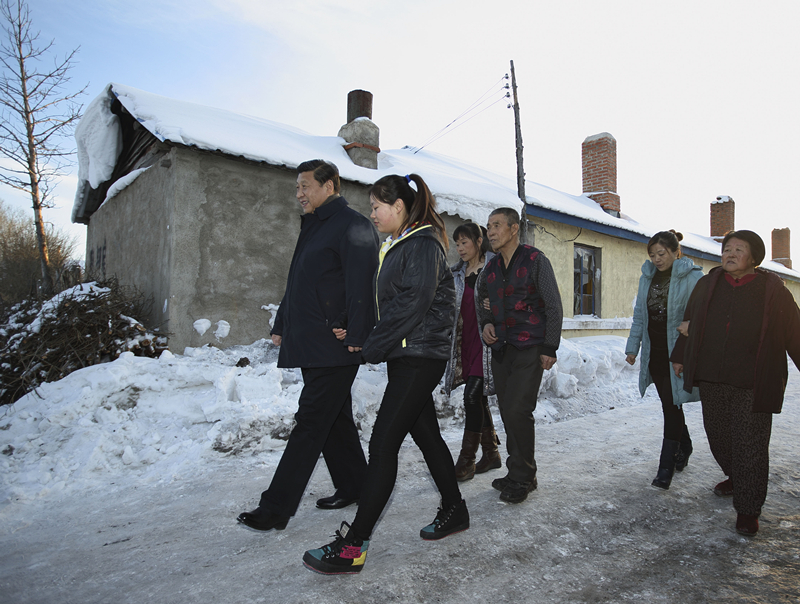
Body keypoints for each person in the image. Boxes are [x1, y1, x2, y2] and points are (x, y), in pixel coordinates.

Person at [303, 173, 465, 575]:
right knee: (426, 434)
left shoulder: (423, 244)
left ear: (398, 207)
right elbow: (386, 302)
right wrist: (357, 328)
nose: (371, 213)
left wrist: (371, 345)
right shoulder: (397, 246)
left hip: (420, 355)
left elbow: (413, 303)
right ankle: (455, 508)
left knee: (382, 444)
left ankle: (354, 545)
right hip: (408, 354)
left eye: (376, 206)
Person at [237, 159, 379, 531]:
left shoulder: (353, 225)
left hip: (335, 343)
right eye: (297, 187)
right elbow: (298, 279)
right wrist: (283, 321)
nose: (299, 194)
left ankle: (276, 507)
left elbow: (362, 284)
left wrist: (356, 332)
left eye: (305, 186)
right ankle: (355, 484)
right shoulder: (315, 226)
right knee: (334, 419)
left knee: (311, 421)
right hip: (311, 340)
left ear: (329, 186)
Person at [671, 230, 800, 536]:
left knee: (750, 444)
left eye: (738, 250)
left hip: (752, 380)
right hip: (713, 376)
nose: (729, 254)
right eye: (727, 249)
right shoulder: (708, 284)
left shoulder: (773, 290)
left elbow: (794, 333)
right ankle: (738, 477)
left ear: (753, 258)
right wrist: (680, 355)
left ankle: (748, 508)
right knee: (719, 437)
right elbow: (690, 322)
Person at [476, 207, 563, 504]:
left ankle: (522, 477)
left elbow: (553, 304)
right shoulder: (490, 269)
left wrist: (550, 346)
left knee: (517, 411)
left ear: (514, 228)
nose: (491, 231)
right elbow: (483, 305)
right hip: (502, 349)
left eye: (497, 225)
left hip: (530, 347)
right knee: (507, 411)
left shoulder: (536, 261)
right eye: (489, 226)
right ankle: (521, 471)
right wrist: (486, 324)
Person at [625, 230, 703, 490]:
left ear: (675, 252)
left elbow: (703, 313)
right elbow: (639, 315)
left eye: (662, 254)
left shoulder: (692, 277)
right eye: (652, 255)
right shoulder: (646, 278)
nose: (657, 259)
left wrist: (690, 325)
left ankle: (665, 468)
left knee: (672, 406)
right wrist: (632, 347)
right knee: (670, 404)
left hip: (678, 352)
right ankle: (686, 445)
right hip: (655, 353)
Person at [443, 222, 502, 481]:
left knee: (471, 396)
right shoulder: (456, 273)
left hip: (487, 344)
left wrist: (497, 303)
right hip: (465, 343)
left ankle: (466, 461)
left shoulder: (496, 266)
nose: (459, 249)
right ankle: (491, 453)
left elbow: (512, 297)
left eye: (464, 243)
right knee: (477, 399)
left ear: (479, 241)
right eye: (457, 244)